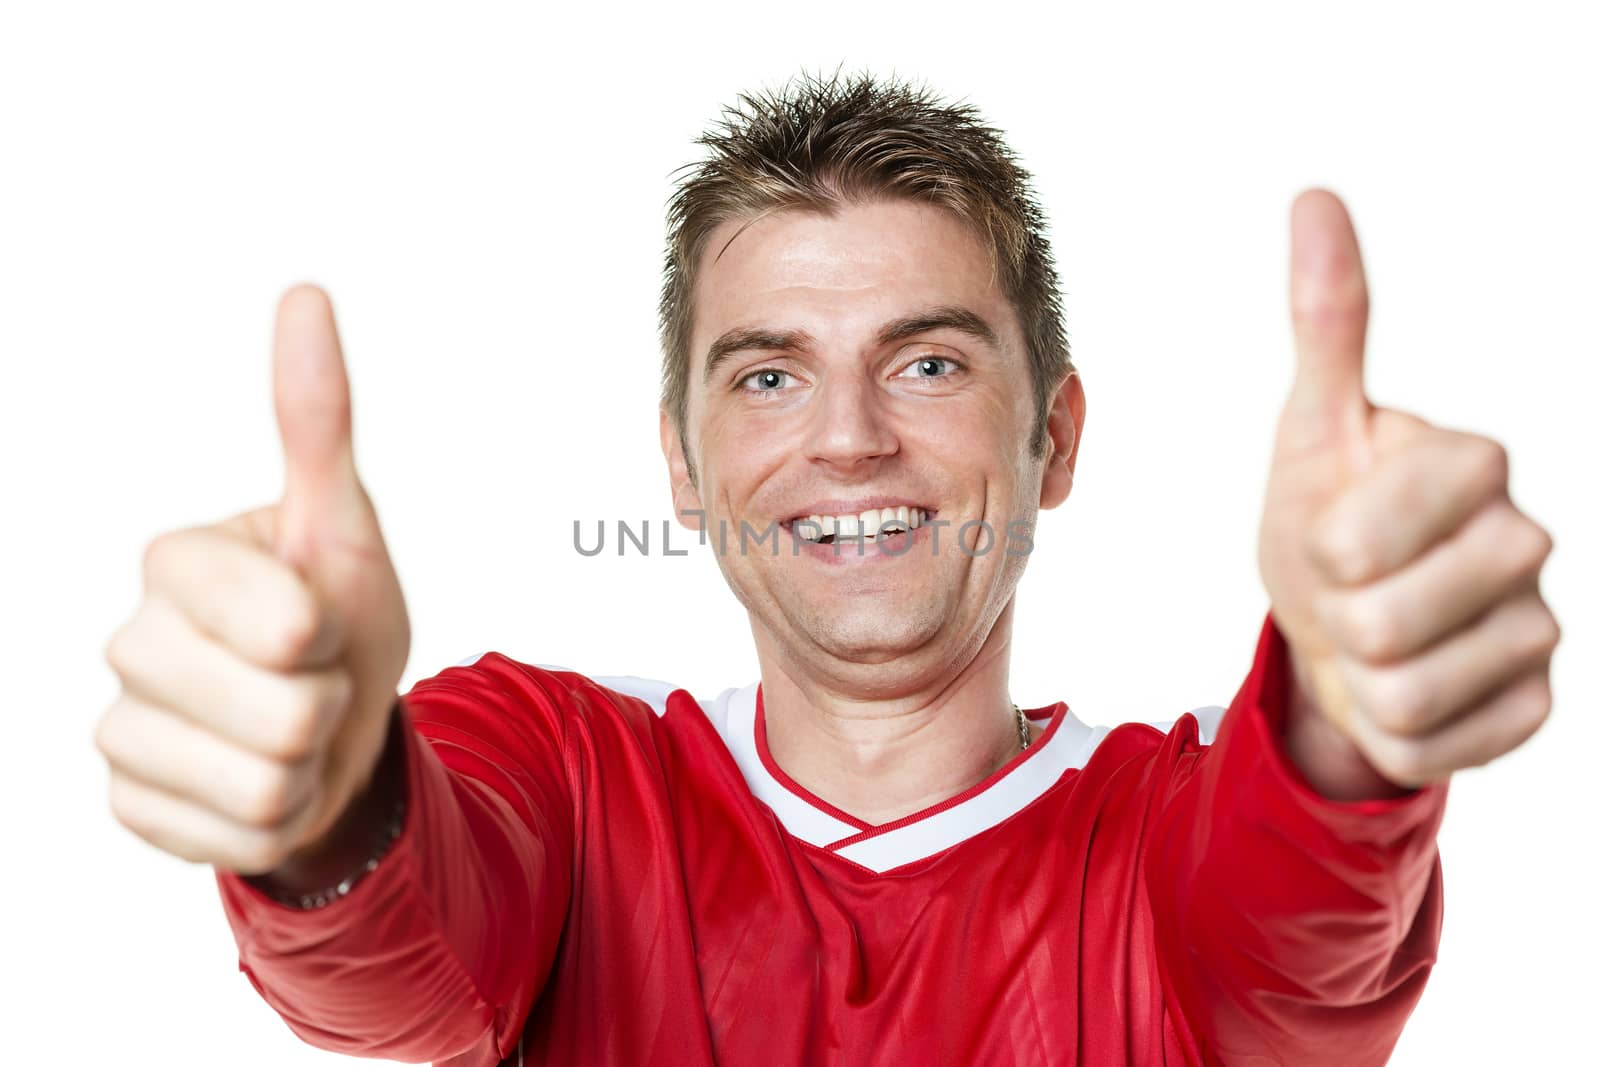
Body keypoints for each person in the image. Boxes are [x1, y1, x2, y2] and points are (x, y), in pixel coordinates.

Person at [95, 72, 1559, 1066]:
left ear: (1054, 438)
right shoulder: (558, 767)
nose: (849, 440)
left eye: (927, 361)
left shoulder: (1169, 843)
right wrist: (316, 801)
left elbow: (1300, 917)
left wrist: (1354, 709)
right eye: (769, 378)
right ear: (680, 465)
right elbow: (402, 961)